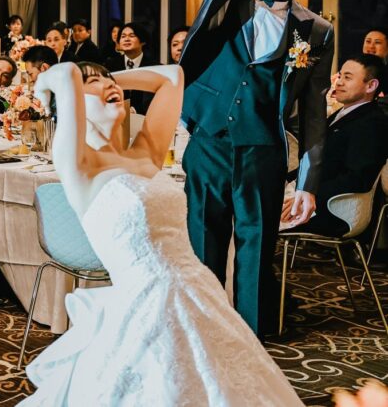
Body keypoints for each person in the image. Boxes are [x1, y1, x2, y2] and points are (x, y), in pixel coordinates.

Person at [21, 61, 302, 406]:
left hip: (199, 292)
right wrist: (47, 84)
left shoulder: (144, 153)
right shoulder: (80, 167)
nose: (110, 86)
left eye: (110, 80)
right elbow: (65, 73)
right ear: (70, 103)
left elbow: (173, 77)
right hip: (145, 307)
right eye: (90, 82)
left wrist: (106, 81)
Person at [176, 0, 333, 337]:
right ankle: (200, 339)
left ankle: (252, 348)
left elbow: (314, 113)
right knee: (201, 249)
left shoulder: (316, 30)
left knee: (257, 254)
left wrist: (308, 182)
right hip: (209, 144)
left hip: (264, 153)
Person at [286, 55, 388, 237]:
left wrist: (307, 193)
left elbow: (356, 178)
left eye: (347, 77)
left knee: (254, 216)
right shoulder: (343, 113)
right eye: (340, 75)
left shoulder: (372, 122)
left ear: (371, 86)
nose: (338, 82)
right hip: (307, 194)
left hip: (332, 207)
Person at [104, 22, 157, 113]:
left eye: (132, 36)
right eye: (123, 36)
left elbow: (154, 97)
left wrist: (135, 110)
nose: (126, 39)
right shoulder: (109, 65)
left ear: (143, 41)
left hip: (145, 116)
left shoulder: (154, 67)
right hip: (116, 115)